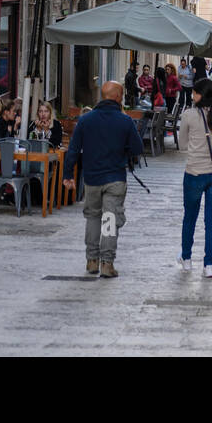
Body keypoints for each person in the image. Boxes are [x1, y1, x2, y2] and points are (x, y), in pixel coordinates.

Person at [62, 80, 144, 278]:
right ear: (116, 97)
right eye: (122, 95)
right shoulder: (125, 121)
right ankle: (107, 263)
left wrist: (67, 175)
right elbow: (138, 149)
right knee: (109, 219)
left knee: (92, 217)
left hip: (92, 178)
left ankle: (92, 260)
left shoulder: (86, 120)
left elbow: (72, 149)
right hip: (115, 178)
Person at [177, 78, 212, 276]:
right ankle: (209, 265)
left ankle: (187, 258)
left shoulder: (189, 115)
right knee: (211, 220)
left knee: (189, 217)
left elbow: (182, 145)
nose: (192, 95)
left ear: (201, 94)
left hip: (194, 173)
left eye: (194, 92)